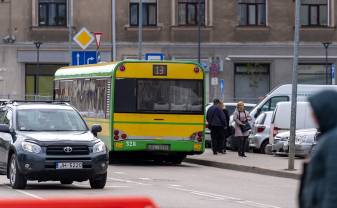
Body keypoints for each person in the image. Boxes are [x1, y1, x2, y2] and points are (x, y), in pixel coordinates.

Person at [299, 90, 337, 208]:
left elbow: (334, 185)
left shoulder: (333, 140)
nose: (312, 115)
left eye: (315, 111)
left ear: (327, 111)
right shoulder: (327, 136)